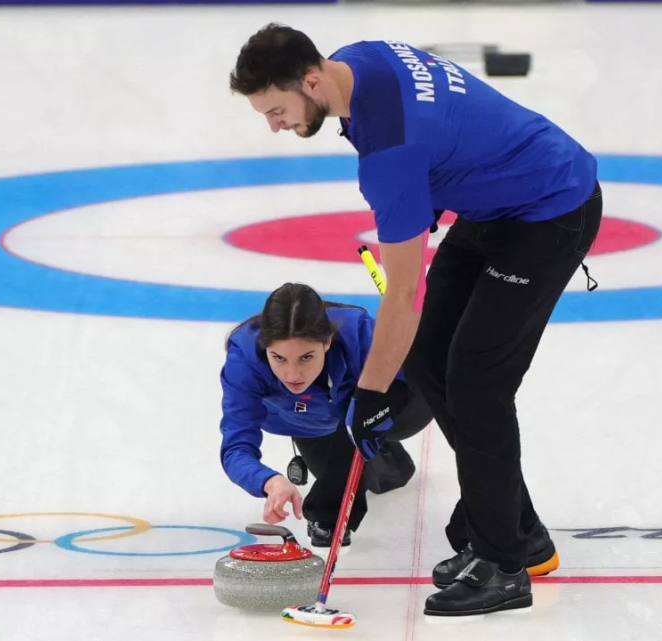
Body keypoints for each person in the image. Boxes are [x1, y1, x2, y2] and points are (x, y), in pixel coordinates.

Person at [229, 25, 602, 616]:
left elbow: (403, 294)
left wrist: (370, 394)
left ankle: (505, 564)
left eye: (277, 109)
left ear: (311, 80)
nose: (274, 124)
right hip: (495, 203)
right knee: (430, 361)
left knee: (478, 384)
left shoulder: (390, 154)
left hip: (549, 209)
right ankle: (516, 529)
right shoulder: (359, 60)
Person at [219, 282, 433, 548]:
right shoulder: (244, 361)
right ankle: (388, 458)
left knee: (354, 436)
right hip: (311, 420)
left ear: (327, 342)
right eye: (279, 358)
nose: (292, 375)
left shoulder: (360, 333)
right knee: (366, 475)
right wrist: (269, 481)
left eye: (306, 357)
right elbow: (236, 447)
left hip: (389, 404)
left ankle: (371, 441)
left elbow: (411, 375)